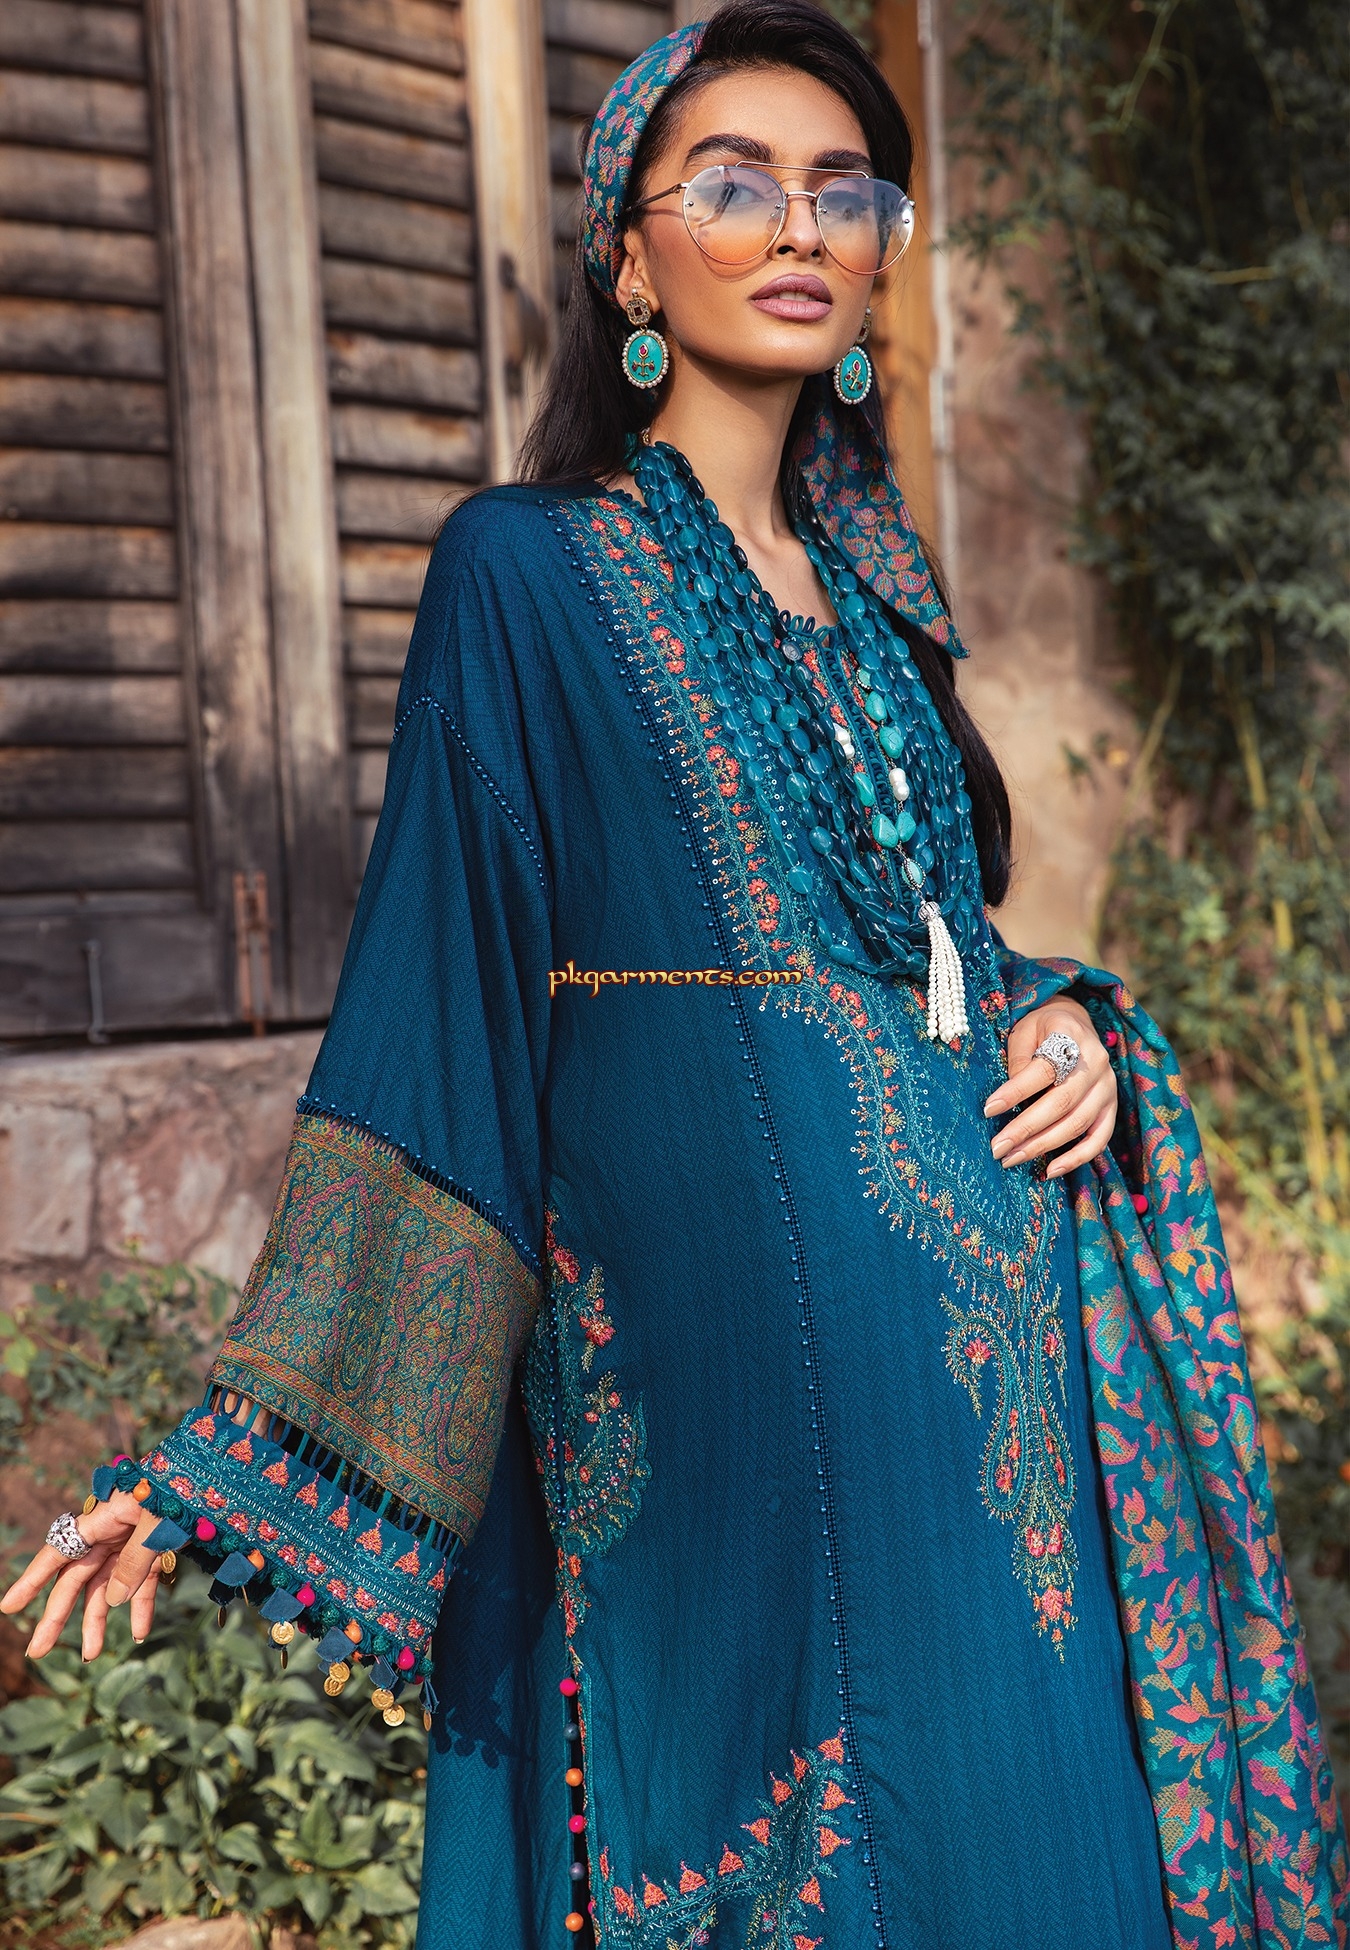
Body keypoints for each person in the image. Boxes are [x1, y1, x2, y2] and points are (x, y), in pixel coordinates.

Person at [6, 5, 1345, 1945]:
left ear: (878, 261)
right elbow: (441, 1005)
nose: (797, 224)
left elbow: (926, 951)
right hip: (723, 1410)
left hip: (998, 1419)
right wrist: (242, 1454)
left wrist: (1069, 1021)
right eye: (733, 184)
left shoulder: (888, 620)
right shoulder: (522, 575)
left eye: (843, 191)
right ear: (628, 261)